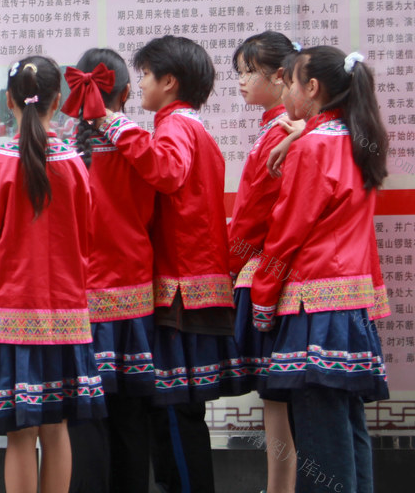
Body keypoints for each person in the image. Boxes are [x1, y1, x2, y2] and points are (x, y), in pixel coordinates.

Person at [92, 35, 240, 493]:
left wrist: (114, 125)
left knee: (173, 412)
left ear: (169, 82)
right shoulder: (192, 126)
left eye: (146, 76)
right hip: (193, 285)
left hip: (180, 288)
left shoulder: (174, 125)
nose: (139, 87)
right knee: (178, 413)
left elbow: (168, 172)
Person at [0, 56, 105, 493]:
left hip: (7, 314)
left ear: (9, 102)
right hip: (63, 314)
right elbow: (87, 238)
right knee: (57, 428)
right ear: (58, 102)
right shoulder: (75, 163)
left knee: (20, 436)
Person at [251, 46, 390, 493]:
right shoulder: (356, 139)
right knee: (348, 431)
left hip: (313, 307)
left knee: (320, 442)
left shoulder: (314, 147)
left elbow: (287, 231)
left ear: (311, 89)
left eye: (290, 82)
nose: (287, 90)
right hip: (349, 308)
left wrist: (262, 297)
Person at [64, 49, 157, 493]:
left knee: (85, 420)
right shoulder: (136, 139)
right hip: (133, 292)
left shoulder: (58, 146)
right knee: (132, 419)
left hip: (79, 297)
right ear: (125, 93)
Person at [227, 31, 305, 493]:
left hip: (269, 276)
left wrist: (230, 263)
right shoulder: (288, 131)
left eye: (248, 72)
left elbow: (255, 214)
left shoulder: (280, 134)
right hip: (285, 276)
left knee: (276, 397)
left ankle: (280, 487)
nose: (240, 82)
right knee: (280, 398)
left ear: (280, 77)